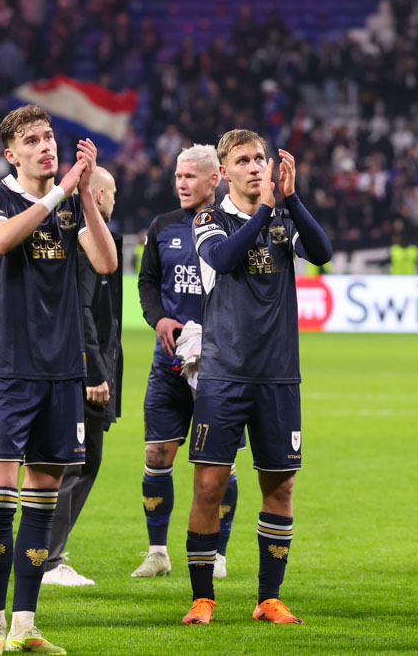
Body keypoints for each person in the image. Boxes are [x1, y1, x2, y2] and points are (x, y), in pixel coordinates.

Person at [0, 106, 117, 656]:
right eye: (31, 140)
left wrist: (84, 198)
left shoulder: (71, 206)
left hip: (62, 374)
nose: (45, 147)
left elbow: (105, 262)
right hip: (8, 372)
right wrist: (59, 194)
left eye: (49, 137)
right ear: (12, 154)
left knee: (40, 504)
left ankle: (24, 625)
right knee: (0, 502)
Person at [180, 130, 332, 626]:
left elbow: (322, 252)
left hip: (278, 376)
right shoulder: (209, 219)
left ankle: (269, 598)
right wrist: (266, 209)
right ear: (224, 172)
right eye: (243, 160)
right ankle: (203, 598)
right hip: (224, 376)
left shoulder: (284, 218)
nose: (254, 166)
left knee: (280, 488)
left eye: (260, 158)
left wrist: (291, 199)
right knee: (209, 486)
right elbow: (223, 259)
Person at [131, 145, 239, 581]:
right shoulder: (163, 226)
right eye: (178, 176)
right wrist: (158, 319)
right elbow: (147, 282)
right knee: (156, 453)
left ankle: (217, 553)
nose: (181, 183)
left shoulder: (233, 225)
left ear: (215, 179)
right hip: (170, 361)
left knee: (220, 463)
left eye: (190, 176)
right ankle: (158, 552)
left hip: (220, 365)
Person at [41, 167, 122, 587]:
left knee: (88, 461)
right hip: (84, 371)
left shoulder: (99, 240)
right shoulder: (87, 242)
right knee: (75, 463)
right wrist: (94, 371)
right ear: (100, 195)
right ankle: (49, 559)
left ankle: (52, 549)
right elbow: (81, 309)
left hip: (92, 364)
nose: (115, 199)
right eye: (113, 192)